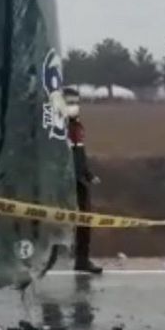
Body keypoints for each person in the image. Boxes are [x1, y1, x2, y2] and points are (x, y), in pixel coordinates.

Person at [64, 86, 103, 274]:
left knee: (84, 219)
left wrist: (88, 174)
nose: (74, 106)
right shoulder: (56, 126)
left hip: (79, 180)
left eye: (76, 102)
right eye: (69, 102)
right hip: (61, 180)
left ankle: (82, 259)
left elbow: (79, 154)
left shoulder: (77, 125)